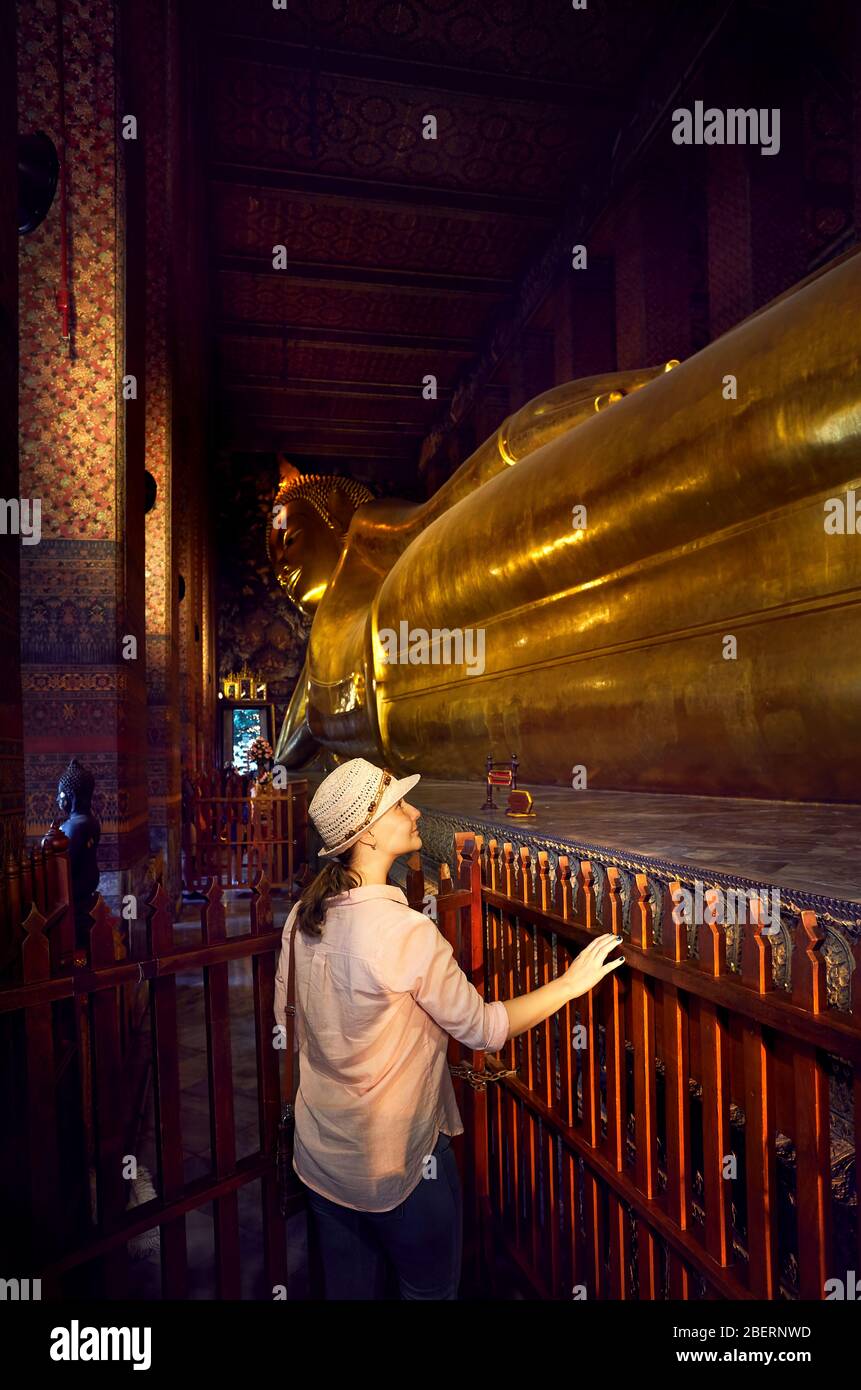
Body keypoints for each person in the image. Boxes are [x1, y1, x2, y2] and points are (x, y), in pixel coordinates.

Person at [273, 757, 624, 1300]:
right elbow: (484, 1028)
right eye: (398, 806)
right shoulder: (404, 931)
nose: (415, 812)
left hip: (321, 1159)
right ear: (365, 835)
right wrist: (570, 985)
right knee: (429, 1292)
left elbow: (288, 1030)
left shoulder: (301, 918)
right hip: (402, 1167)